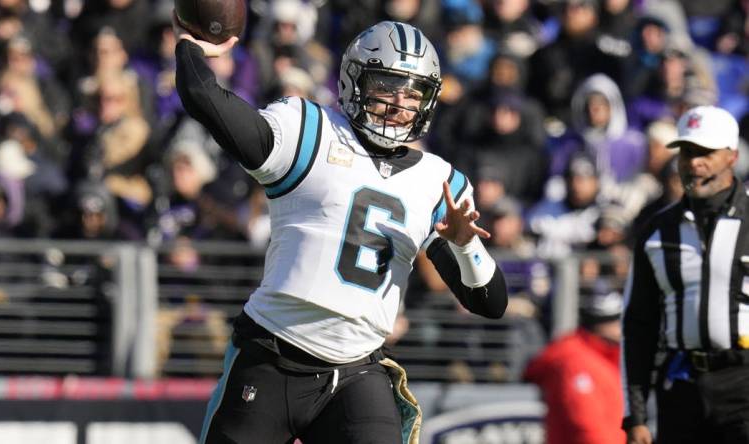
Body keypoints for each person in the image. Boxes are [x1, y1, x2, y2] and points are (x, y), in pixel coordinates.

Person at [173, 17, 508, 444]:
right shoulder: (308, 130)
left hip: (356, 372)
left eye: (413, 92)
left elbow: (490, 302)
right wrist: (193, 47)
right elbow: (205, 97)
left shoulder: (437, 182)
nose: (399, 103)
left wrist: (464, 247)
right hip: (272, 355)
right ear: (355, 81)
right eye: (387, 85)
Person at [622, 105, 749, 444]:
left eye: (706, 152)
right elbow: (638, 326)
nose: (694, 163)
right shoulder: (656, 230)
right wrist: (634, 415)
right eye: (687, 152)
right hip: (682, 386)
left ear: (732, 156)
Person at [524, 284, 625, 444]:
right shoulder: (575, 361)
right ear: (603, 324)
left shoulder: (601, 356)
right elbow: (585, 425)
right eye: (618, 320)